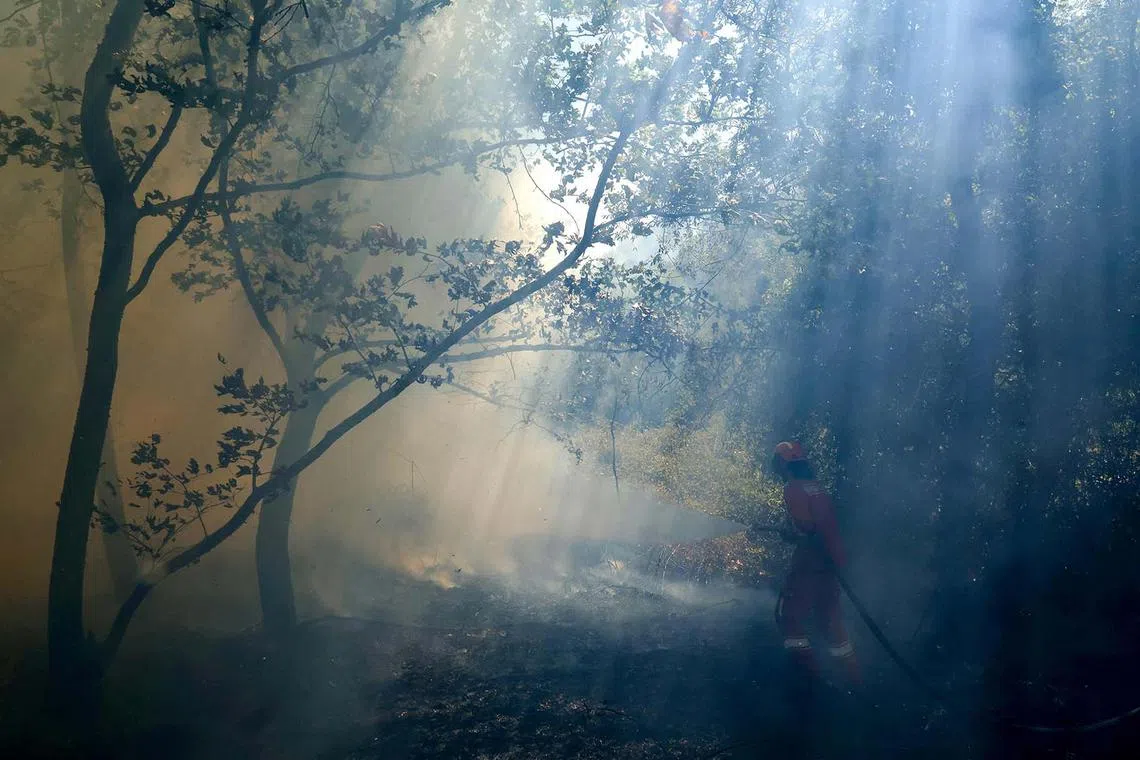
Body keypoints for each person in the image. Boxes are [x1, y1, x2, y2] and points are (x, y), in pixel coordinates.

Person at [771, 441, 862, 690]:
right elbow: (824, 527)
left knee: (788, 618)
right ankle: (855, 681)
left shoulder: (792, 489)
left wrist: (789, 535)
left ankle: (811, 681)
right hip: (832, 561)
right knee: (829, 622)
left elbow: (808, 531)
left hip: (811, 562)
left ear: (783, 464)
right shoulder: (816, 488)